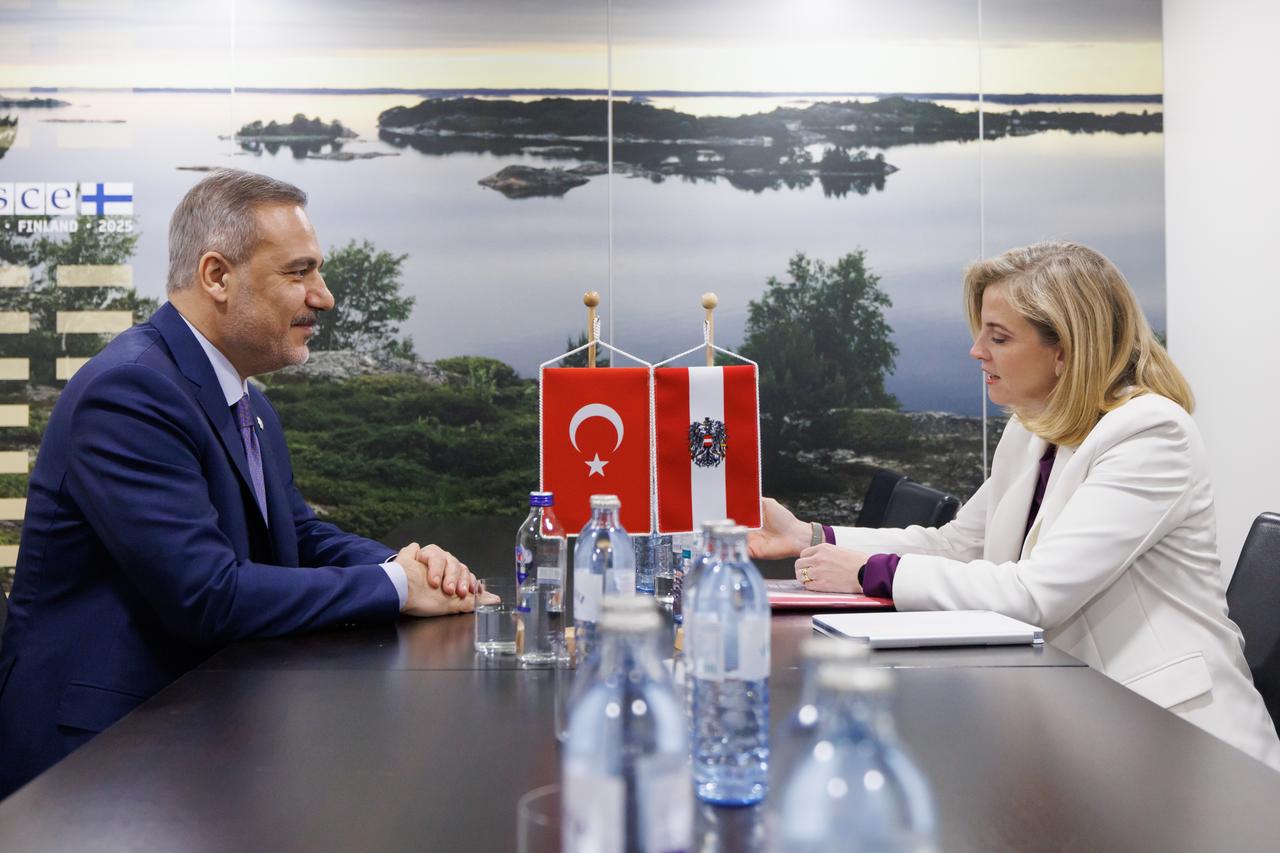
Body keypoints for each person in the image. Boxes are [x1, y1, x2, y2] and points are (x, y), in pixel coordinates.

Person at [0, 170, 487, 798]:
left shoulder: (243, 400)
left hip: (195, 724)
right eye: (299, 272)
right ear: (216, 276)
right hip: (97, 758)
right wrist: (395, 587)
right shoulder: (130, 391)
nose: (325, 297)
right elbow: (207, 594)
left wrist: (409, 564)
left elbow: (300, 533)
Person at [750, 241, 1280, 770]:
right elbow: (957, 546)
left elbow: (1036, 594)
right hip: (1080, 726)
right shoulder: (1031, 429)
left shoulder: (1151, 434)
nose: (976, 350)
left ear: (1065, 350)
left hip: (1183, 749)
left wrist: (871, 570)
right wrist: (812, 538)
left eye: (998, 337)